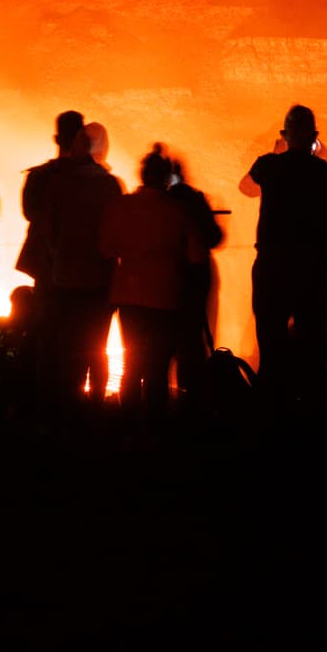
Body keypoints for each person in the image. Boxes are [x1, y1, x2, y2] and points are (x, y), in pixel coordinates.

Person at [241, 104, 327, 423]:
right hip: (312, 268)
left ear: (284, 135)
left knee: (270, 348)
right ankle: (310, 424)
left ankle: (270, 420)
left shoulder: (269, 166)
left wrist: (276, 153)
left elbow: (246, 188)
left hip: (272, 268)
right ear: (313, 136)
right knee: (313, 351)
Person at [24, 112, 123, 430]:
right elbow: (114, 230)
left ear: (58, 139)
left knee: (53, 346)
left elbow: (36, 219)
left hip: (57, 277)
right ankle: (91, 413)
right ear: (82, 139)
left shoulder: (46, 179)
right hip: (95, 280)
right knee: (93, 346)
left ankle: (53, 413)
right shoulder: (107, 184)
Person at [102, 146, 203, 439]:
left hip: (128, 294)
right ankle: (154, 431)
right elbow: (196, 256)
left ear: (142, 175)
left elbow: (106, 248)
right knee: (157, 366)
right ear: (165, 179)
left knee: (132, 362)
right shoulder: (176, 211)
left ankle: (127, 428)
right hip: (165, 296)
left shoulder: (120, 206)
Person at [165, 155, 225, 412]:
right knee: (192, 343)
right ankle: (192, 404)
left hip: (167, 281)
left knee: (164, 345)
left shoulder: (158, 203)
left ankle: (164, 403)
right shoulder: (193, 199)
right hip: (196, 279)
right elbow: (215, 236)